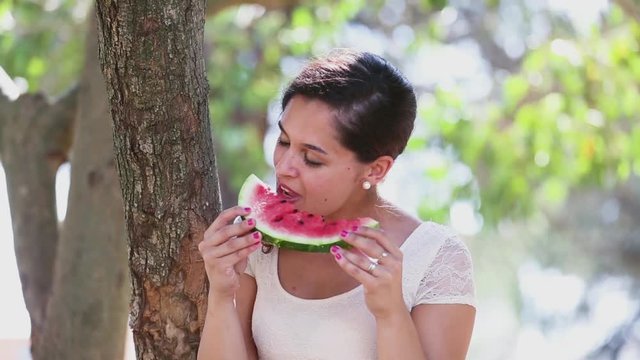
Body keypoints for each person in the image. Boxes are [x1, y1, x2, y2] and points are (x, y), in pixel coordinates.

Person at [197, 49, 476, 360]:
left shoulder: (435, 258)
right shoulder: (257, 244)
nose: (283, 166)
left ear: (376, 169)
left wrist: (390, 314)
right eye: (284, 141)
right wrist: (222, 295)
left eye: (312, 159)